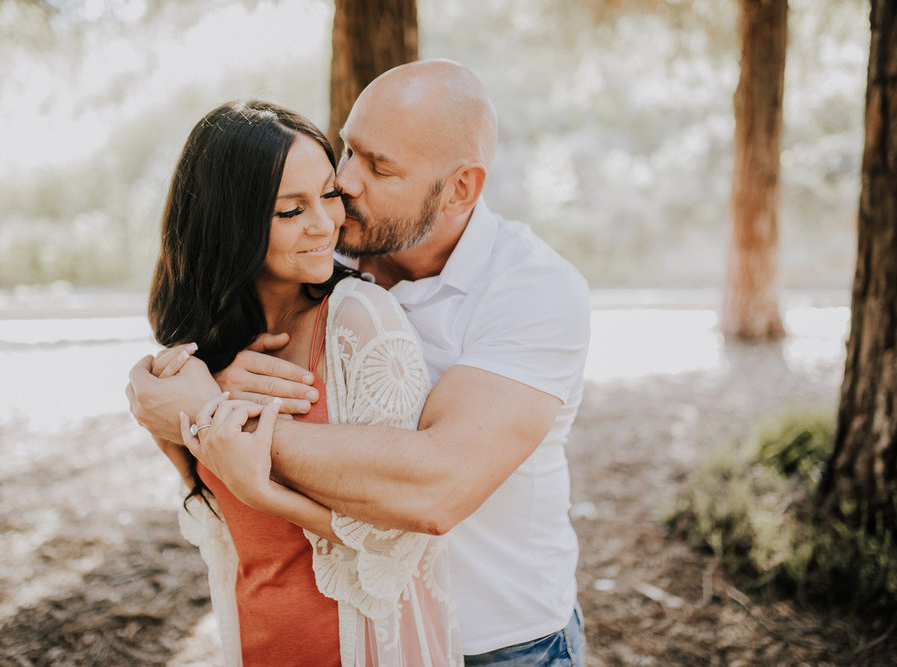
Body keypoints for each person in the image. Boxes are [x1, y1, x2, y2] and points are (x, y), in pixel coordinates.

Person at [129, 60, 591, 665]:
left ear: (460, 188)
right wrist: (198, 383)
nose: (344, 181)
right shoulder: (328, 263)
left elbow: (433, 489)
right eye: (349, 148)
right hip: (361, 638)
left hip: (502, 645)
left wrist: (214, 418)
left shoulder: (532, 290)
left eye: (380, 167)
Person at [142, 99, 461, 666]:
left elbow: (403, 540)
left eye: (329, 195)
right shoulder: (209, 347)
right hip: (257, 638)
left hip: (358, 648)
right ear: (228, 221)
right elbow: (215, 511)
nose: (325, 224)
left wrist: (262, 489)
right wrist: (181, 396)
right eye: (291, 210)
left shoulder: (361, 321)